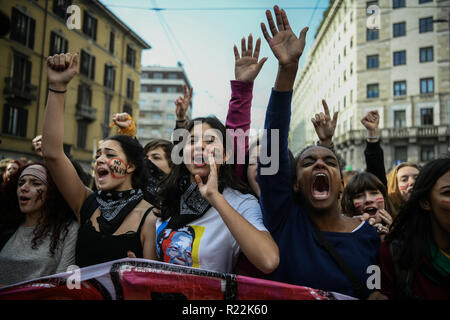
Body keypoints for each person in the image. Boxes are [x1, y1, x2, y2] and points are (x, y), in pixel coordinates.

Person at [257, 6, 380, 299]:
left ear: (341, 184)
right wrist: (287, 71)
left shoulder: (369, 235)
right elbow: (272, 147)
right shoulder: (286, 221)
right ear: (297, 184)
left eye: (329, 162)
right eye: (308, 162)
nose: (319, 165)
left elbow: (375, 285)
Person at [41, 52, 157, 267]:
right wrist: (57, 87)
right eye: (98, 155)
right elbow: (52, 153)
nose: (101, 160)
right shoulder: (86, 202)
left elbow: (151, 285)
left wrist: (138, 275)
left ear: (131, 166)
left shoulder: (151, 217)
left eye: (110, 155)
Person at [156, 116, 279, 274]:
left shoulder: (241, 202)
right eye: (192, 141)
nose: (200, 146)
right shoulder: (168, 196)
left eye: (210, 140)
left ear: (226, 154)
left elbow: (268, 261)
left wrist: (215, 197)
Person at [377, 157, 450, 299]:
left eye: (415, 178)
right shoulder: (393, 254)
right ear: (425, 202)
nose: (410, 182)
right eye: (448, 192)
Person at [0, 163, 78, 286]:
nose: (24, 188)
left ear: (52, 192)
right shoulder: (6, 228)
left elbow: (65, 284)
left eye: (35, 183)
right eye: (21, 183)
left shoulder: (67, 229)